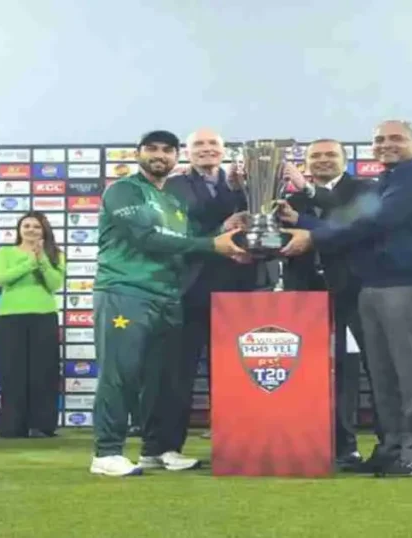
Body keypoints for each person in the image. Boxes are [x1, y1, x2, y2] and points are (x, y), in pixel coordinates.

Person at [281, 120, 412, 478]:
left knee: (411, 375)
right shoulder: (389, 179)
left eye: (396, 138)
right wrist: (308, 223)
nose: (386, 144)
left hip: (406, 285)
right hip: (374, 286)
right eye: (379, 140)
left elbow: (376, 222)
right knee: (385, 377)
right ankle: (391, 449)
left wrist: (312, 235)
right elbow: (354, 222)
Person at [89, 130, 246, 477]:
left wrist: (223, 232)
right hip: (126, 291)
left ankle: (154, 450)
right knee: (121, 373)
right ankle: (107, 452)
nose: (159, 155)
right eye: (152, 149)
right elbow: (149, 237)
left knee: (161, 380)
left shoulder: (175, 203)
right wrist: (213, 245)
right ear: (138, 153)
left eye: (167, 150)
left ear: (177, 157)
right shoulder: (124, 190)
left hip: (167, 296)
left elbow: (185, 243)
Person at [277, 138, 381, 469]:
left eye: (330, 155)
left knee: (359, 371)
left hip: (354, 294)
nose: (323, 160)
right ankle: (312, 445)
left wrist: (306, 193)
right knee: (305, 372)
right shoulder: (288, 200)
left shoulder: (364, 190)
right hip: (303, 294)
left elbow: (347, 227)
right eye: (315, 156)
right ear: (306, 161)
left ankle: (367, 446)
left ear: (345, 159)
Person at [161, 128, 253, 445]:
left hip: (239, 289)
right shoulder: (173, 186)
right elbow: (176, 233)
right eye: (198, 144)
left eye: (212, 144)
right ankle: (169, 445)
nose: (206, 149)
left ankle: (235, 437)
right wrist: (221, 230)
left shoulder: (240, 183)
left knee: (234, 368)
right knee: (180, 371)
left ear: (223, 150)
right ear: (187, 152)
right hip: (191, 288)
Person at [0, 211, 66, 439]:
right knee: (11, 371)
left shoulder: (55, 254)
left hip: (44, 316)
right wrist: (29, 262)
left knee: (44, 372)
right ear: (19, 229)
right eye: (26, 225)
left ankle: (42, 425)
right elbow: (0, 279)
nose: (31, 230)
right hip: (9, 317)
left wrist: (41, 259)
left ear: (44, 230)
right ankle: (12, 426)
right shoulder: (4, 253)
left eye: (36, 226)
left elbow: (55, 284)